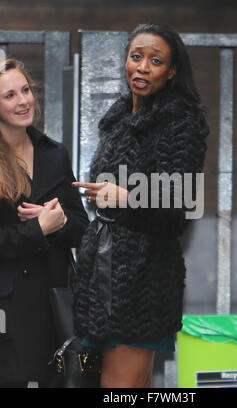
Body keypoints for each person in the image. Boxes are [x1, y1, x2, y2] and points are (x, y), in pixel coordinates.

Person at [72, 23, 209, 388]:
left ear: (172, 70)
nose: (143, 67)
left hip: (143, 279)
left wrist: (126, 197)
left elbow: (185, 201)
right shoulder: (118, 120)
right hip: (104, 276)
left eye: (155, 60)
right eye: (136, 57)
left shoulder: (181, 122)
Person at [0, 58, 89, 387]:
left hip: (54, 303)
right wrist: (38, 229)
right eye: (9, 96)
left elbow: (82, 229)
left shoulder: (55, 154)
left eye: (25, 90)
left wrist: (60, 222)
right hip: (7, 307)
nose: (23, 101)